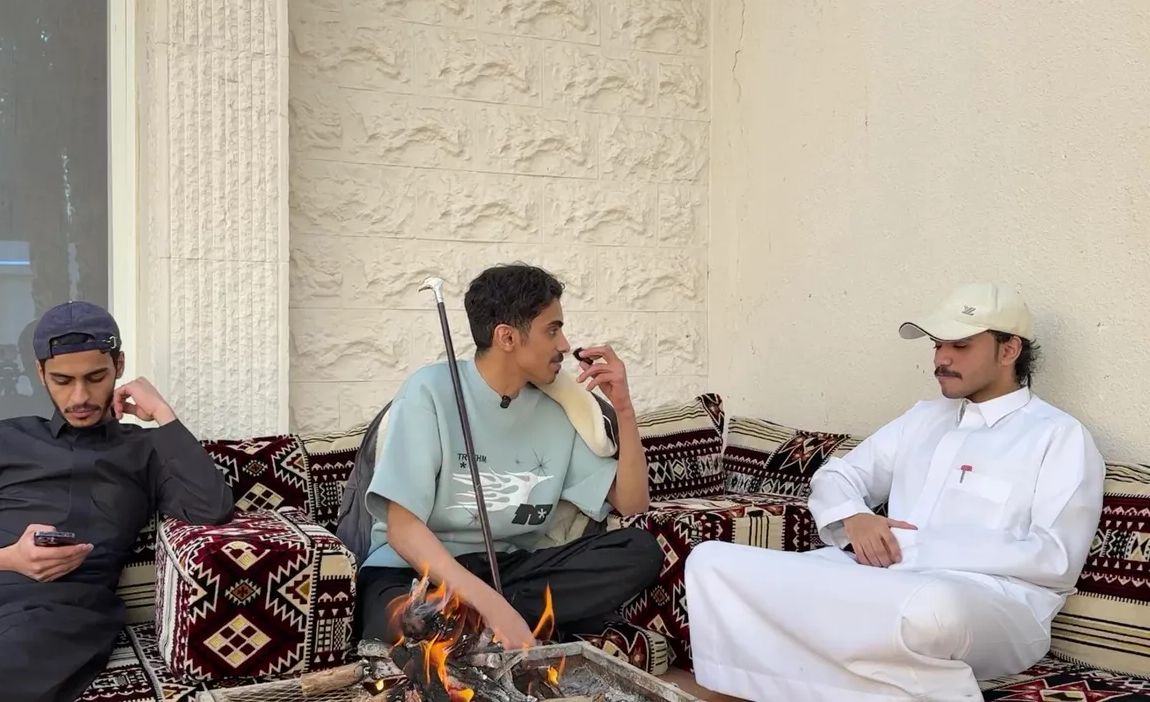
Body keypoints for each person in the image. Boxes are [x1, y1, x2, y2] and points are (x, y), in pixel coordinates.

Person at [684, 282, 1106, 702]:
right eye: (938, 345)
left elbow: (1055, 558)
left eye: (960, 345)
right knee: (711, 563)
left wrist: (915, 548)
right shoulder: (923, 417)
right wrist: (855, 517)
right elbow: (837, 476)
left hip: (992, 604)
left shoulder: (1058, 435)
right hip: (882, 582)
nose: (941, 358)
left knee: (928, 608)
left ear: (1009, 350)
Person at [0, 301, 235, 702]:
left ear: (119, 366)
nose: (80, 396)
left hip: (58, 611)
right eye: (62, 380)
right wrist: (5, 559)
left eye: (96, 377)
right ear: (41, 373)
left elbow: (211, 508)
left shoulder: (145, 450)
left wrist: (164, 414)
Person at [354, 263, 663, 650]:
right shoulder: (429, 391)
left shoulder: (558, 410)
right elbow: (402, 530)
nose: (564, 345)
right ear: (507, 337)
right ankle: (479, 625)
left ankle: (473, 629)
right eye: (552, 330)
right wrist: (494, 607)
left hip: (507, 572)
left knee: (639, 551)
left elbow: (632, 503)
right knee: (410, 620)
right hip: (414, 573)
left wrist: (624, 409)